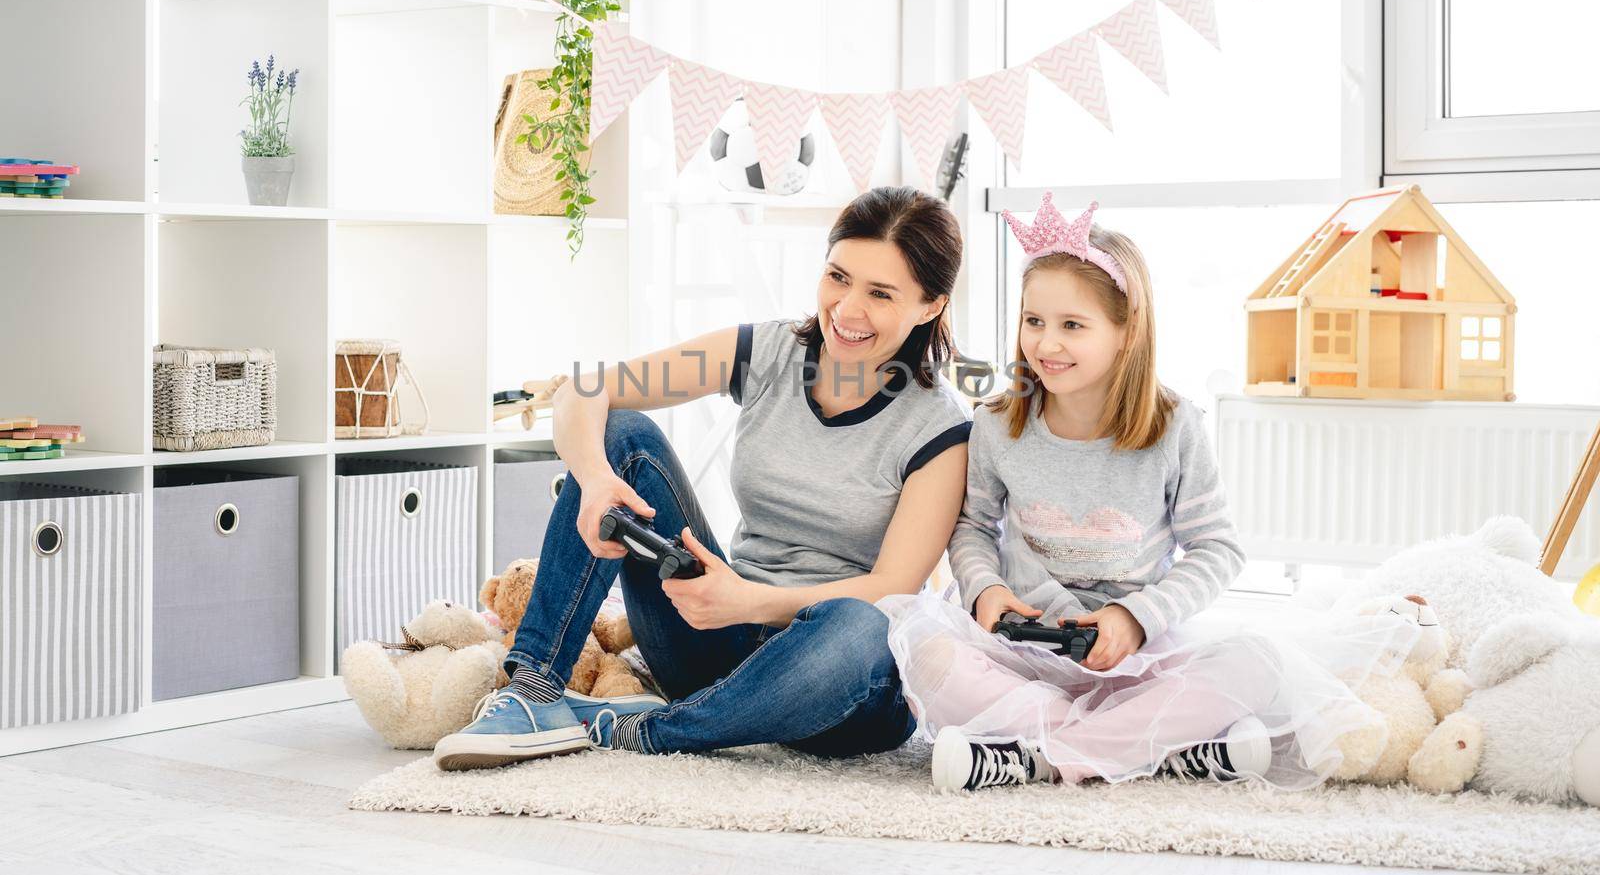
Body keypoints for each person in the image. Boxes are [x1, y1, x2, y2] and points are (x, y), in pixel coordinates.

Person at [880, 193, 1411, 792]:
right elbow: (974, 528)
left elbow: (1216, 550)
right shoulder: (999, 424)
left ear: (1127, 331)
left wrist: (1135, 619)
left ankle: (1042, 757)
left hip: (1136, 657)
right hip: (1025, 652)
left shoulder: (1174, 425)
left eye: (1072, 326)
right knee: (923, 648)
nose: (1046, 345)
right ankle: (1151, 751)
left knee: (1255, 663)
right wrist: (988, 589)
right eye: (1034, 321)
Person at [434, 186, 974, 770]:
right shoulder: (766, 351)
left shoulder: (941, 429)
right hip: (715, 639)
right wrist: (594, 480)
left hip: (837, 679)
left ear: (930, 306)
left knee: (865, 625)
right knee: (622, 434)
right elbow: (585, 391)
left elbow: (888, 589)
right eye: (838, 277)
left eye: (880, 293)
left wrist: (750, 600)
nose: (846, 310)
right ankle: (534, 691)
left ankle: (654, 730)